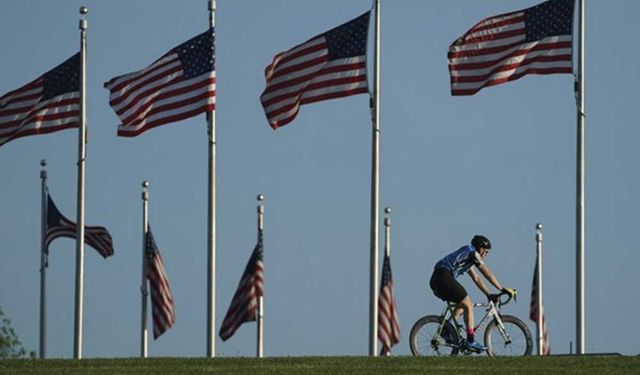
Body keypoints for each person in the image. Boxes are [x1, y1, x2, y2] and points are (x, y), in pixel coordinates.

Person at [429, 235, 516, 352]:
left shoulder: (467, 257)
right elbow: (487, 273)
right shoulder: (472, 253)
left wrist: (488, 294)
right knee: (468, 304)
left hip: (436, 280)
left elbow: (477, 278)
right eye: (486, 251)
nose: (486, 254)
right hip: (443, 276)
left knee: (462, 306)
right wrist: (502, 289)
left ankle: (445, 331)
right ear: (480, 248)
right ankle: (470, 341)